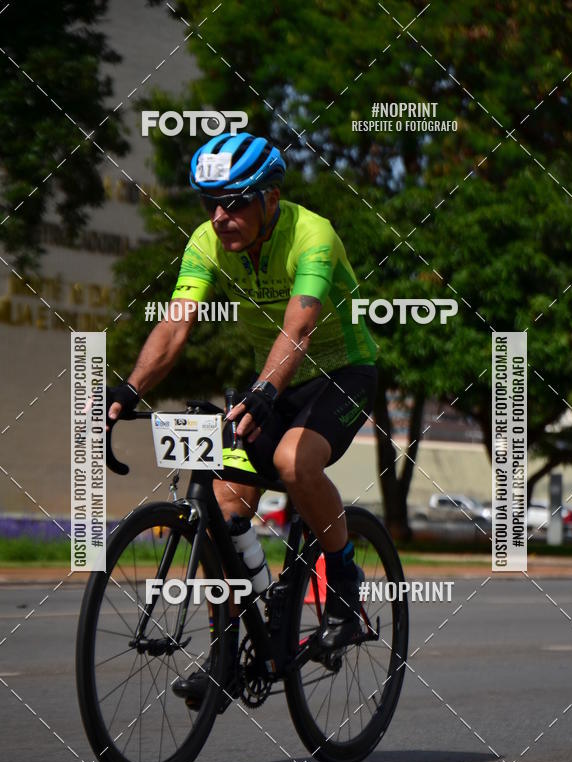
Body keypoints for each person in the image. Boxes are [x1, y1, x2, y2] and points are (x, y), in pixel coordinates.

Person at [107, 131, 378, 709]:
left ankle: (345, 586)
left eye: (235, 201)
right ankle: (229, 650)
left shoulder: (313, 235)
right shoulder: (206, 241)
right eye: (210, 203)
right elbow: (176, 324)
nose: (221, 216)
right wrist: (128, 391)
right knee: (223, 503)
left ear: (270, 198)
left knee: (290, 460)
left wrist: (262, 391)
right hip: (276, 379)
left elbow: (299, 328)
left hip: (343, 372)